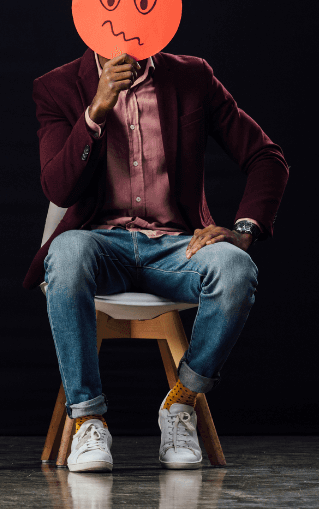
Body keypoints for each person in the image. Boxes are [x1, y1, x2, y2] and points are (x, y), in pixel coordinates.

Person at [27, 50, 288, 471]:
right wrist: (95, 110)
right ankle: (89, 420)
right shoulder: (56, 85)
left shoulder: (192, 76)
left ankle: (182, 402)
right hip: (101, 243)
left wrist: (244, 228)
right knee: (67, 251)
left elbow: (266, 157)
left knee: (236, 269)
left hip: (177, 247)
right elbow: (58, 189)